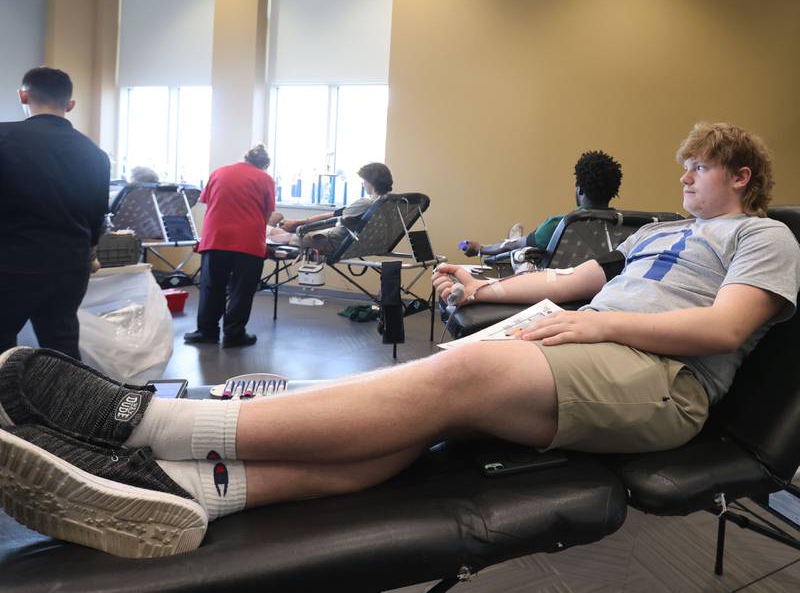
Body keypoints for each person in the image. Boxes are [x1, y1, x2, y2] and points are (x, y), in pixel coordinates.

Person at [0, 122, 798, 559]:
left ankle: (143, 423)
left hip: (663, 381)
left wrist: (599, 322)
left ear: (741, 177)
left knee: (459, 377)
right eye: (684, 165)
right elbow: (568, 280)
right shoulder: (654, 233)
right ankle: (190, 487)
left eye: (700, 166)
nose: (685, 175)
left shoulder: (764, 237)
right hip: (590, 347)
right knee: (408, 411)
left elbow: (725, 327)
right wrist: (482, 287)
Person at [0, 67, 110, 361]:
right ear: (70, 104)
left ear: (23, 96)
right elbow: (97, 215)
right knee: (62, 346)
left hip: (11, 264)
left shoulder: (3, 137)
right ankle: (70, 392)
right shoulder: (95, 154)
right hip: (69, 266)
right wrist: (90, 255)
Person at [183, 144, 275, 348]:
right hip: (249, 240)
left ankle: (206, 332)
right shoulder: (265, 179)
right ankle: (234, 334)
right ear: (264, 165)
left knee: (211, 286)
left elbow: (209, 203)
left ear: (245, 158)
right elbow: (267, 213)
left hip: (216, 237)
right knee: (242, 289)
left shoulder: (219, 172)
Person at [460, 150, 622, 258]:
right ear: (612, 192)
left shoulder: (560, 225)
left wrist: (480, 248)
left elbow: (511, 247)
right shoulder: (623, 228)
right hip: (601, 291)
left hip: (554, 288)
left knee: (521, 252)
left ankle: (514, 237)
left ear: (579, 190)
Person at [267, 162, 393, 255]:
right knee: (284, 226)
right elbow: (338, 217)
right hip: (350, 242)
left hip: (331, 241)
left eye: (364, 180)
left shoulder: (366, 202)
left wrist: (299, 225)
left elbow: (334, 218)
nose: (363, 184)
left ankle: (265, 228)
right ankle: (269, 226)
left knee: (280, 234)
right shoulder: (386, 202)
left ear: (370, 182)